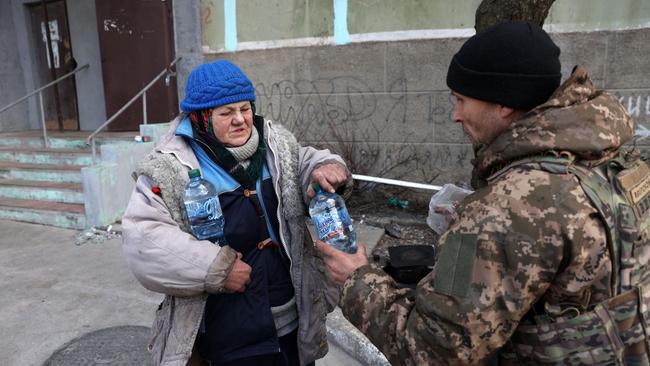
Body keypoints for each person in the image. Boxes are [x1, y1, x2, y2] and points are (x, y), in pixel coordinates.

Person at [317, 21, 650, 365]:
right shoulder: (613, 160)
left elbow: (432, 350)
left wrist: (356, 280)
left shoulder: (506, 207)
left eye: (461, 100)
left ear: (504, 103)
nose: (455, 114)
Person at [122, 59, 350, 366]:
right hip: (229, 335)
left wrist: (325, 168)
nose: (241, 119)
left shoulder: (275, 145)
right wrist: (215, 268)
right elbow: (143, 241)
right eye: (226, 113)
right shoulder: (170, 167)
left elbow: (306, 160)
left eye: (244, 108)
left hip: (294, 320)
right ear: (201, 118)